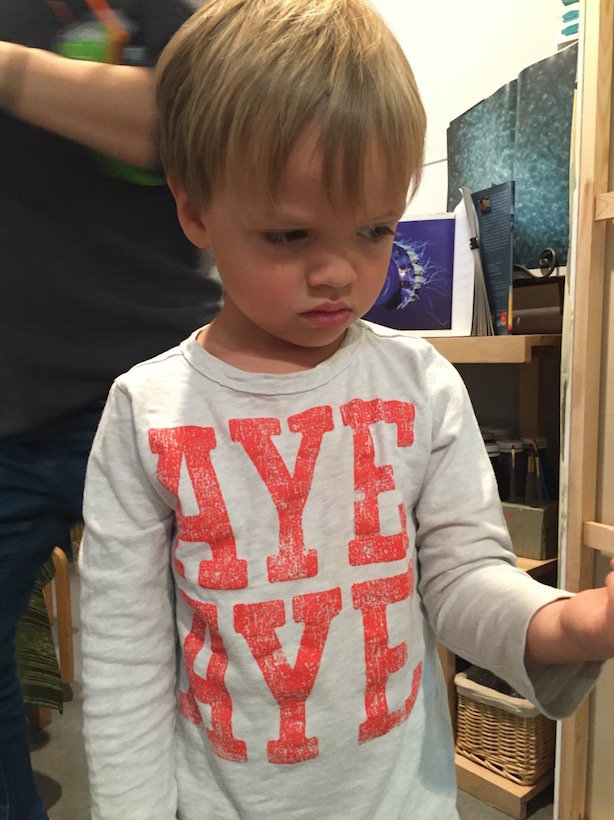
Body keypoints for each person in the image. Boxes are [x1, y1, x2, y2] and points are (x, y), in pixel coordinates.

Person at [79, 0, 614, 817]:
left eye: (373, 230)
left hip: (401, 799)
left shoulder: (420, 384)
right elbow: (124, 658)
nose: (338, 272)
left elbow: (461, 578)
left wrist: (568, 625)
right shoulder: (146, 411)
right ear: (195, 210)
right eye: (290, 236)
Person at [0, 2, 222, 818]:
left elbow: (190, 121)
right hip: (19, 408)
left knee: (219, 648)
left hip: (161, 390)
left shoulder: (167, 12)